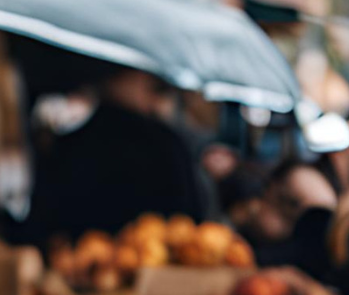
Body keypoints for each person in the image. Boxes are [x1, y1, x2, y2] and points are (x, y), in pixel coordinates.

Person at [25, 68, 215, 243]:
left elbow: (39, 230)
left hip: (72, 275)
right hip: (159, 274)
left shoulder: (65, 147)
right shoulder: (167, 145)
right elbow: (192, 228)